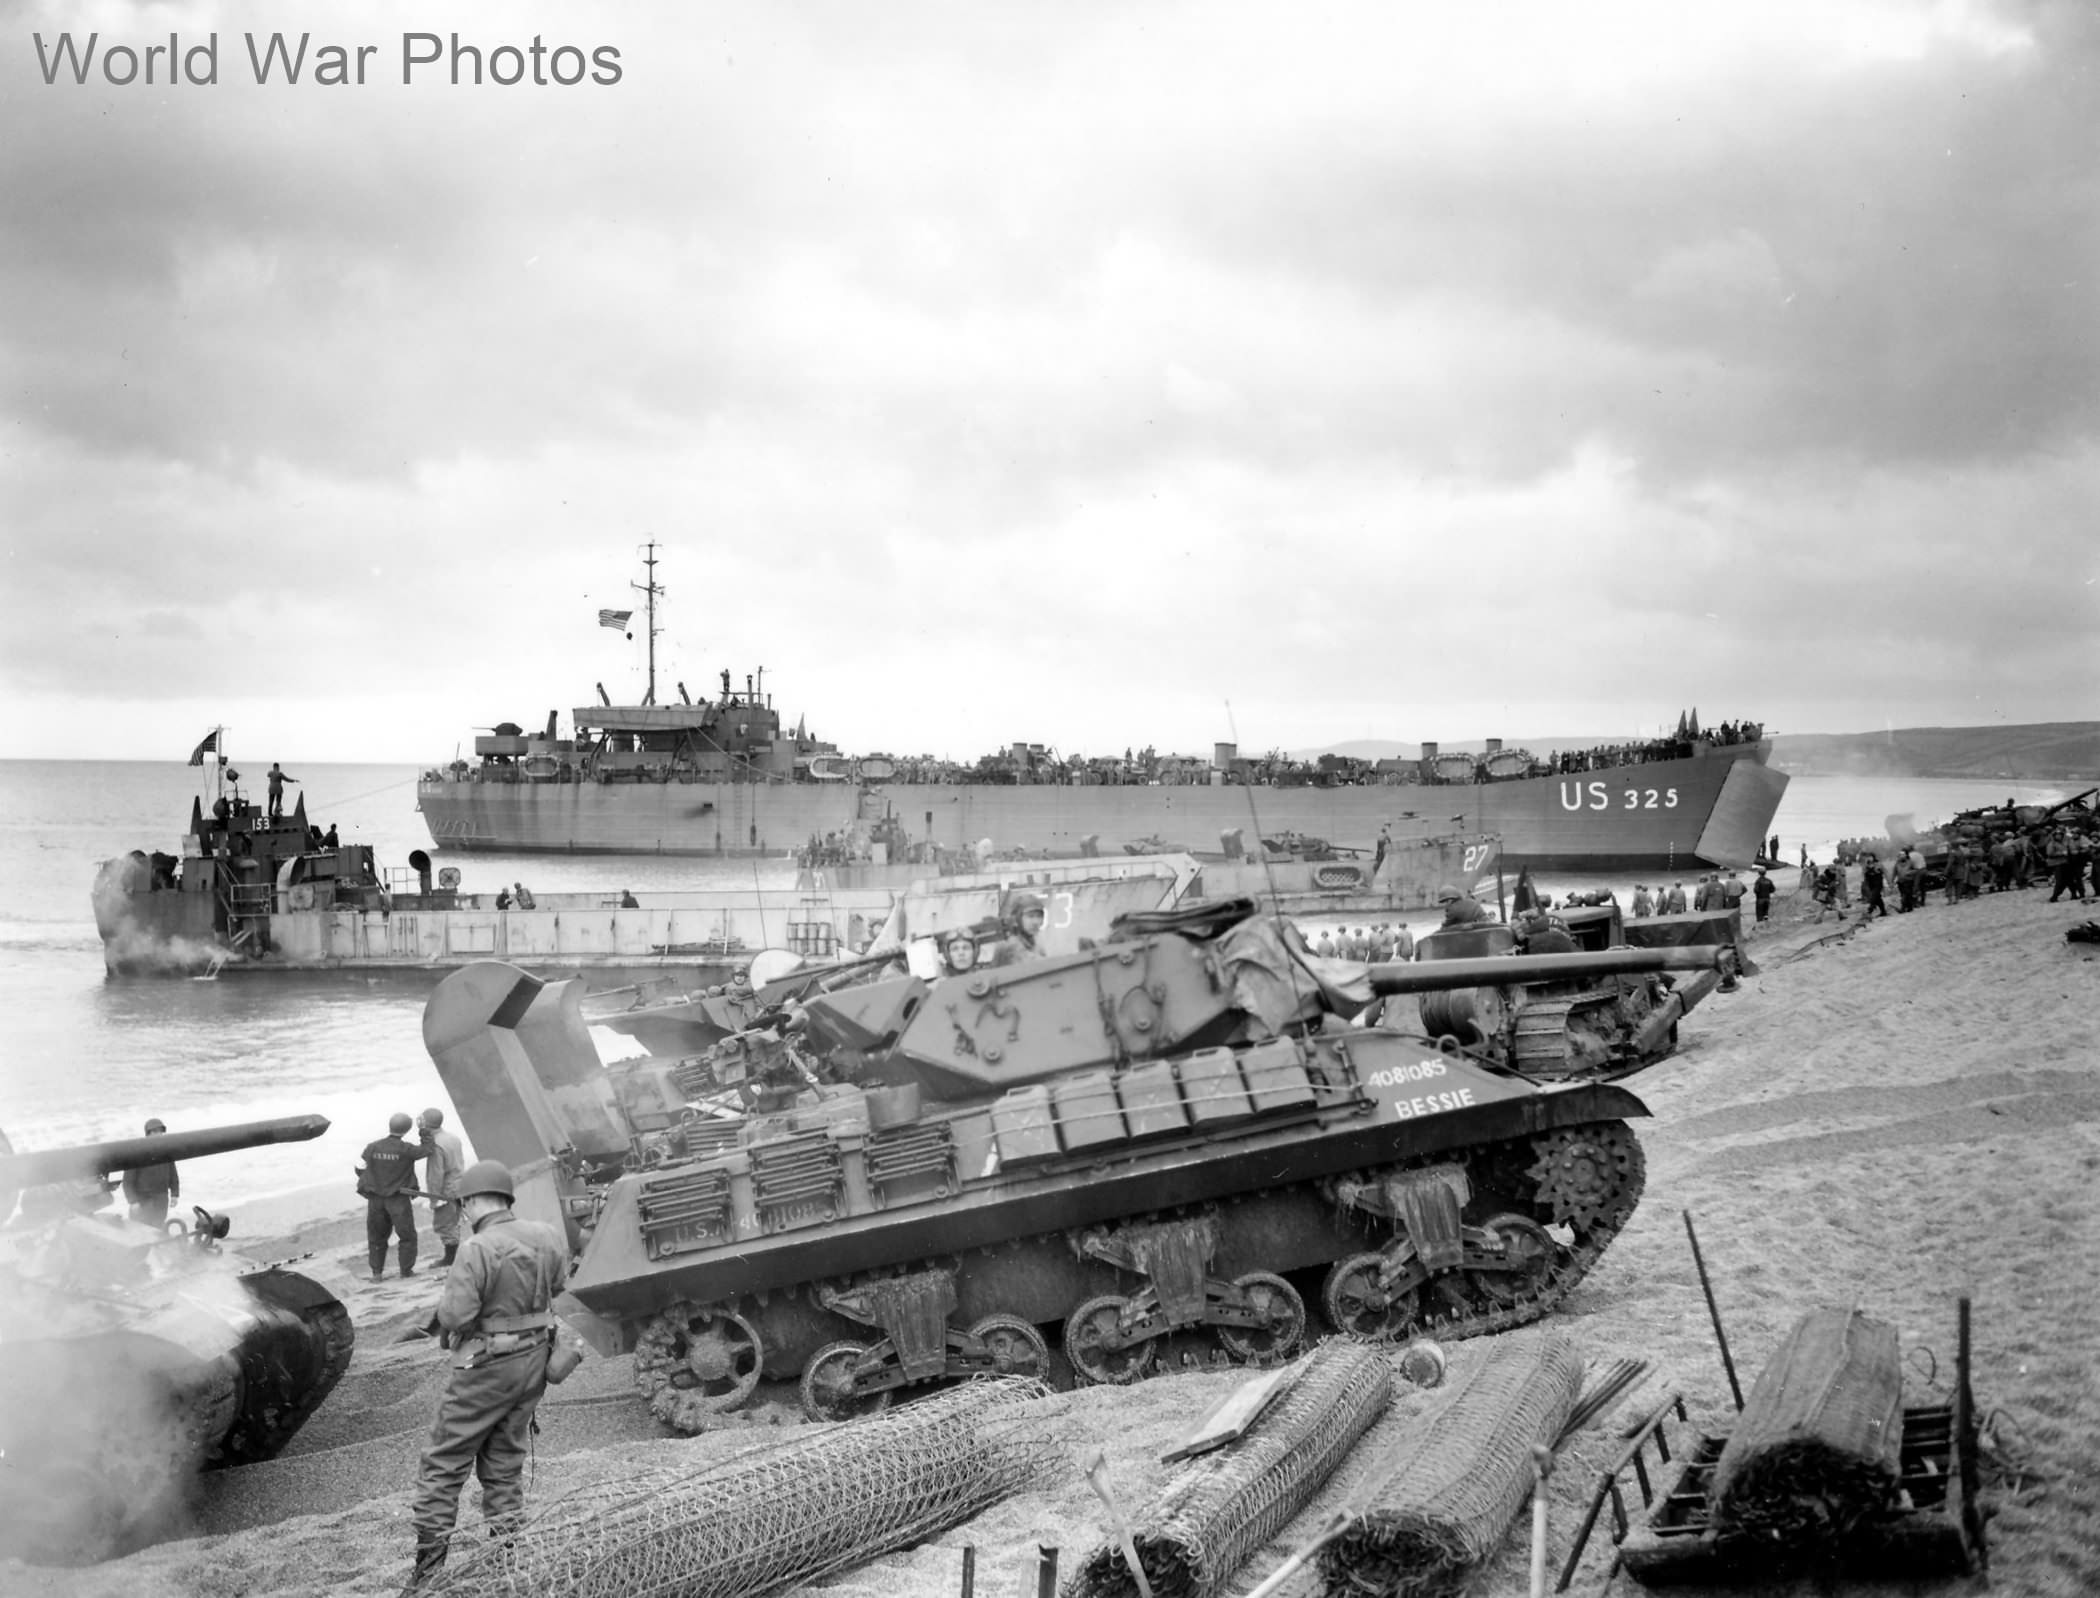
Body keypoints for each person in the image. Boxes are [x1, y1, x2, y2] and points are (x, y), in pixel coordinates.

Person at [407, 1159, 569, 1585]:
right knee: (504, 1462)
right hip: (535, 1361)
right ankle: (503, 1564)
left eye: (464, 1206)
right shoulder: (547, 1235)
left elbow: (458, 1316)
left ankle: (427, 1576)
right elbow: (558, 1287)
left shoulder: (475, 1248)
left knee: (443, 1463)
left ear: (474, 1202)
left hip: (486, 1367)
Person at [357, 1112, 434, 1281]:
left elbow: (359, 1167)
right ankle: (405, 1271)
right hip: (398, 1199)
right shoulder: (406, 1149)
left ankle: (377, 1274)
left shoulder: (372, 1147)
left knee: (376, 1237)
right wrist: (423, 1130)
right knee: (407, 1236)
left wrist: (374, 1181)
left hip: (376, 1199)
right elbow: (428, 1149)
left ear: (390, 1126)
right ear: (406, 1130)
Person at [419, 1108, 468, 1268]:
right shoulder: (453, 1138)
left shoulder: (436, 1145)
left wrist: (434, 1198)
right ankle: (455, 1254)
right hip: (460, 1184)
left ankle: (450, 1258)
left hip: (446, 1189)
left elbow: (436, 1175)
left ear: (426, 1123)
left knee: (444, 1224)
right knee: (455, 1220)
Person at [123, 1117, 180, 1227]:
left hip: (162, 1198)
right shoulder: (137, 1153)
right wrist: (133, 1201)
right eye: (154, 1131)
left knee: (158, 1227)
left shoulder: (166, 1152)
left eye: (160, 1131)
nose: (158, 1134)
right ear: (148, 1134)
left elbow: (173, 1175)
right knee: (140, 1228)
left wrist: (175, 1194)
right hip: (143, 1200)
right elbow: (127, 1182)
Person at [987, 893, 1047, 967]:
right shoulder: (1009, 945)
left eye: (1039, 916)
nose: (1036, 922)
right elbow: (1031, 967)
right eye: (1030, 916)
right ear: (1018, 918)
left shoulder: (1035, 943)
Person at [1861, 854, 1889, 919]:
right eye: (1868, 858)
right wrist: (1863, 883)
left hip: (1878, 883)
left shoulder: (1878, 864)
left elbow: (1886, 872)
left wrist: (1889, 883)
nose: (1869, 859)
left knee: (1873, 896)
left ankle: (1869, 911)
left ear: (1873, 858)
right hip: (1870, 884)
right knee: (1877, 898)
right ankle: (1883, 911)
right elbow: (1862, 875)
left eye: (1870, 857)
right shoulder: (1865, 866)